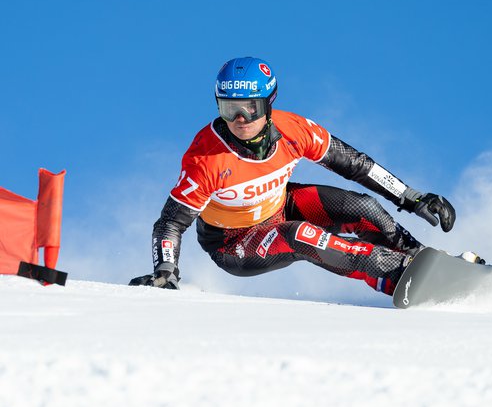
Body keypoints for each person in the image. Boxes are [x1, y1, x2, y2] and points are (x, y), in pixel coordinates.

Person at [129, 56, 465, 295]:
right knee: (302, 236)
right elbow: (170, 224)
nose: (240, 119)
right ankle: (396, 275)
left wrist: (409, 195)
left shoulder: (294, 130)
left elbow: (355, 165)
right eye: (229, 108)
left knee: (363, 209)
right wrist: (165, 272)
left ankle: (423, 260)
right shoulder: (206, 158)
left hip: (279, 207)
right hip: (233, 243)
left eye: (250, 108)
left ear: (268, 104)